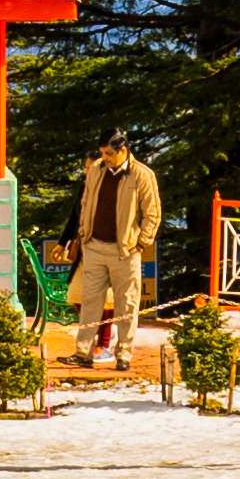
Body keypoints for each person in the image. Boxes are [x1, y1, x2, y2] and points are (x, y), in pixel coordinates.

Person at [66, 133, 164, 375]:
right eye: (102, 153)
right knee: (90, 302)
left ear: (123, 149)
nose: (104, 158)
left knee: (126, 305)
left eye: (109, 153)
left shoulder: (142, 174)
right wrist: (83, 233)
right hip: (95, 246)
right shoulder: (96, 170)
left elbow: (152, 213)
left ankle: (123, 354)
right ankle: (83, 353)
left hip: (125, 250)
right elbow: (85, 202)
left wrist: (141, 243)